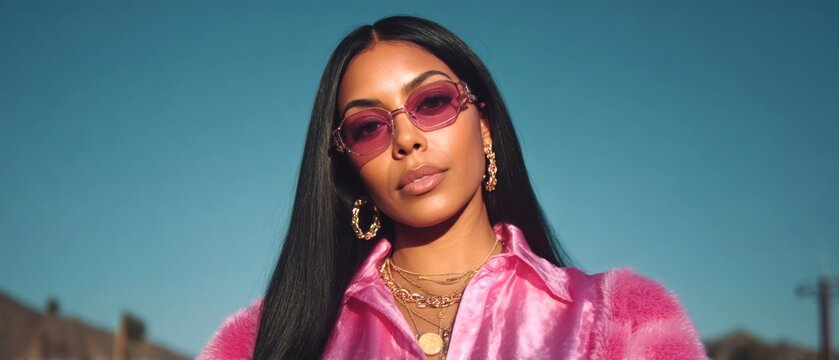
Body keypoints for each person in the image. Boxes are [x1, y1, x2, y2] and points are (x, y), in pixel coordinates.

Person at [199, 16, 707, 360]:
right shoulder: (261, 343)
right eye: (367, 127)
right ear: (348, 166)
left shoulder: (621, 325)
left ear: (483, 124)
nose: (406, 139)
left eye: (432, 102)